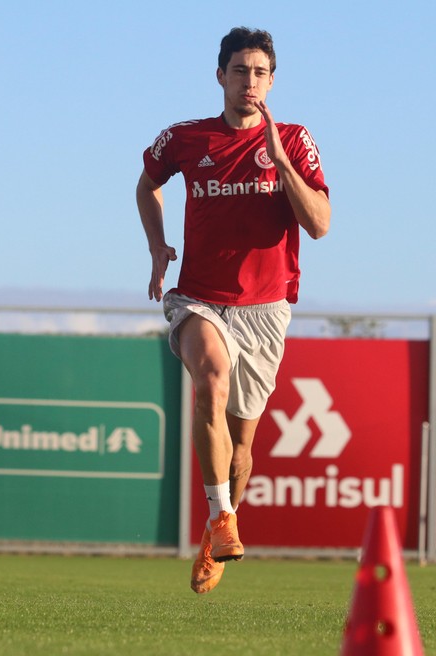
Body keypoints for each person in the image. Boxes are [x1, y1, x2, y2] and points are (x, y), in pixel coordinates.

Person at [136, 27, 330, 594]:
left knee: (242, 448)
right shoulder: (186, 137)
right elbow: (147, 184)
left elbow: (319, 224)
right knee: (210, 383)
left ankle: (218, 527)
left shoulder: (293, 139)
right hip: (200, 298)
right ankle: (223, 517)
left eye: (260, 72)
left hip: (266, 309)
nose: (250, 81)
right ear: (220, 75)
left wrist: (280, 164)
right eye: (240, 70)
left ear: (272, 80)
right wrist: (157, 245)